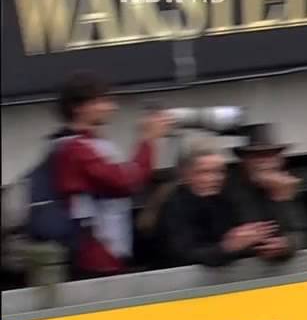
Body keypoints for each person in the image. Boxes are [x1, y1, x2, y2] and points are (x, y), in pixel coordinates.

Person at [52, 71, 172, 277]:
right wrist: (148, 140)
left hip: (108, 251)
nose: (111, 107)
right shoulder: (74, 148)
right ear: (78, 107)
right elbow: (127, 181)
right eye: (102, 101)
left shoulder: (90, 143)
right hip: (96, 256)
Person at [156, 139, 276, 268]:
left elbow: (246, 238)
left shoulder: (225, 199)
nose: (215, 178)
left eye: (219, 171)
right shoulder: (174, 207)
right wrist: (227, 247)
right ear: (186, 175)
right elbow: (183, 256)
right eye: (204, 172)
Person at [228, 124, 307, 260]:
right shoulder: (230, 189)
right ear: (244, 161)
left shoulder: (287, 186)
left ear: (280, 160)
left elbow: (301, 234)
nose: (264, 162)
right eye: (256, 156)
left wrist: (288, 244)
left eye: (270, 155)